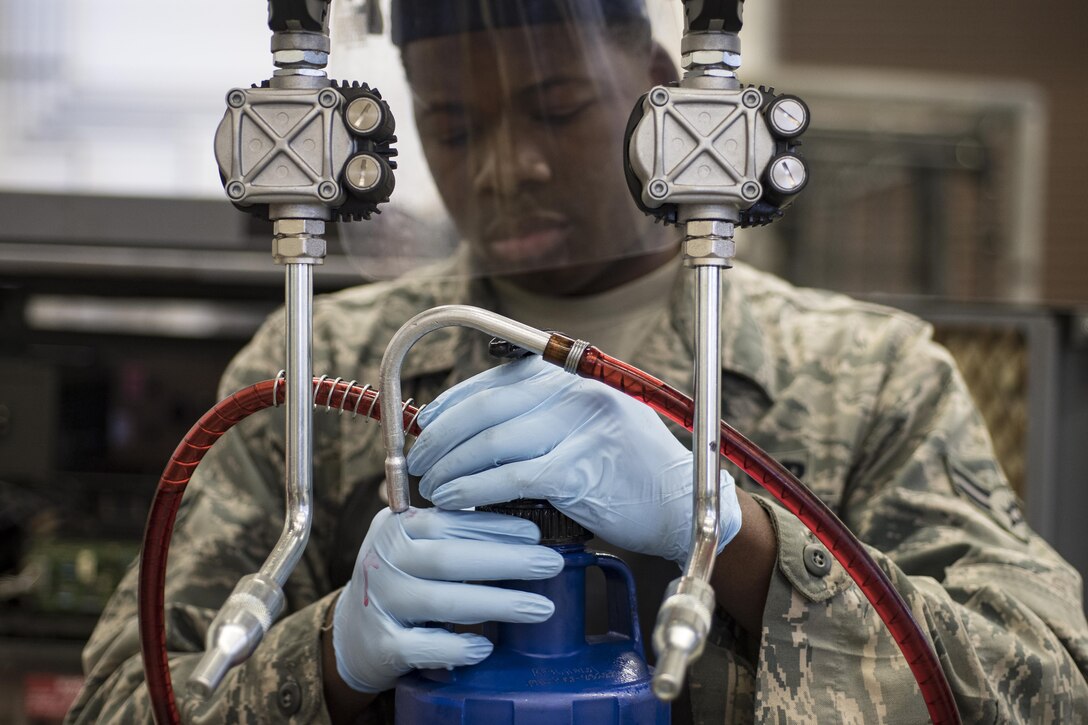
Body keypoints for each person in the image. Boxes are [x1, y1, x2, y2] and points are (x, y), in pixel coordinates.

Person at [68, 1, 1088, 722]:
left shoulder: (867, 378)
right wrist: (333, 655)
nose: (508, 165)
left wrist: (743, 543)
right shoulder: (321, 366)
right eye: (453, 125)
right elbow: (122, 699)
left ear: (655, 88)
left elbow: (1043, 685)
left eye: (555, 109)